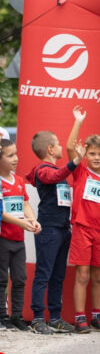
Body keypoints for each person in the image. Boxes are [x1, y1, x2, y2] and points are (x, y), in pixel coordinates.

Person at [66, 106, 100, 334]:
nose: (97, 158)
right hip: (81, 230)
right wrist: (78, 120)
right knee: (83, 275)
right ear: (86, 155)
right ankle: (80, 318)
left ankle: (97, 316)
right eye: (92, 154)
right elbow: (69, 147)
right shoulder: (81, 173)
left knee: (99, 277)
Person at [26, 130, 80, 334]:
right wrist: (75, 161)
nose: (61, 147)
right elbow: (55, 175)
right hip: (49, 229)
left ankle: (55, 317)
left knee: (58, 275)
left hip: (63, 228)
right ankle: (38, 317)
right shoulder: (43, 169)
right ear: (50, 149)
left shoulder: (50, 170)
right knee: (43, 274)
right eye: (58, 144)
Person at [0, 139, 42, 332]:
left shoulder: (18, 181)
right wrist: (22, 223)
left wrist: (32, 220)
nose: (16, 159)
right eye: (10, 155)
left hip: (18, 240)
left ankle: (15, 316)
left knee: (20, 278)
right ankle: (2, 316)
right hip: (3, 238)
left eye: (16, 154)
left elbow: (25, 203)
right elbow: (2, 213)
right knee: (1, 279)